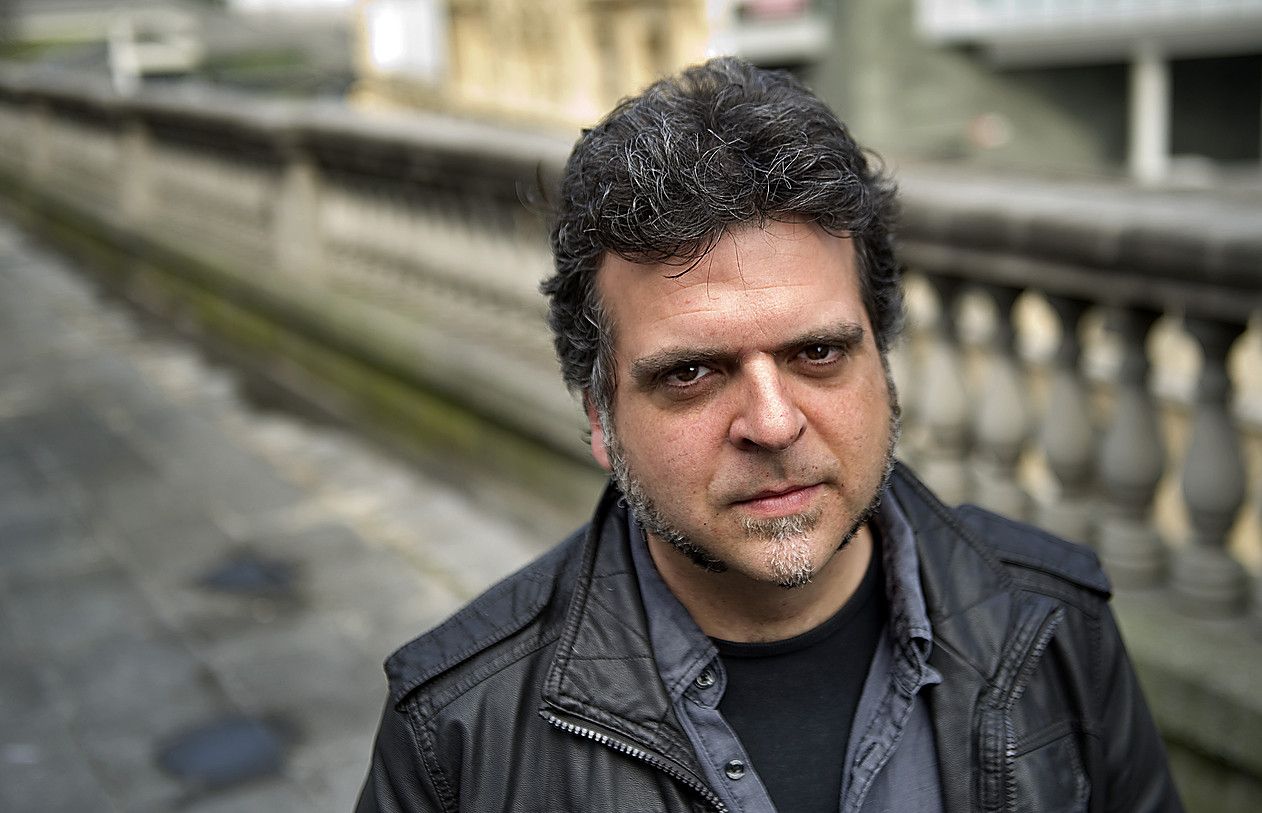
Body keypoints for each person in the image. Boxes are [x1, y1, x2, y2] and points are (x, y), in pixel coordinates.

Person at [356, 57, 1182, 813]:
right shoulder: (456, 735)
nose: (775, 422)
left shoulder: (1058, 625)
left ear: (883, 363)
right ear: (600, 418)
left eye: (817, 353)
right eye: (692, 372)